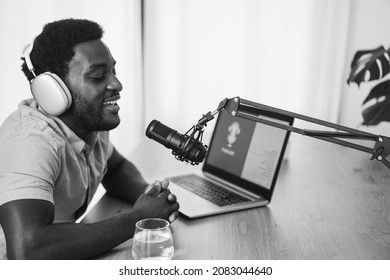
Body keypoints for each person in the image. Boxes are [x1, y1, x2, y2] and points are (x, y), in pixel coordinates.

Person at [0, 18, 179, 259]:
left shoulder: (90, 123)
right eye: (97, 76)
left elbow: (115, 168)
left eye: (113, 71)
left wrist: (151, 197)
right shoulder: (29, 142)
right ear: (52, 90)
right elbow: (27, 250)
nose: (117, 84)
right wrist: (138, 218)